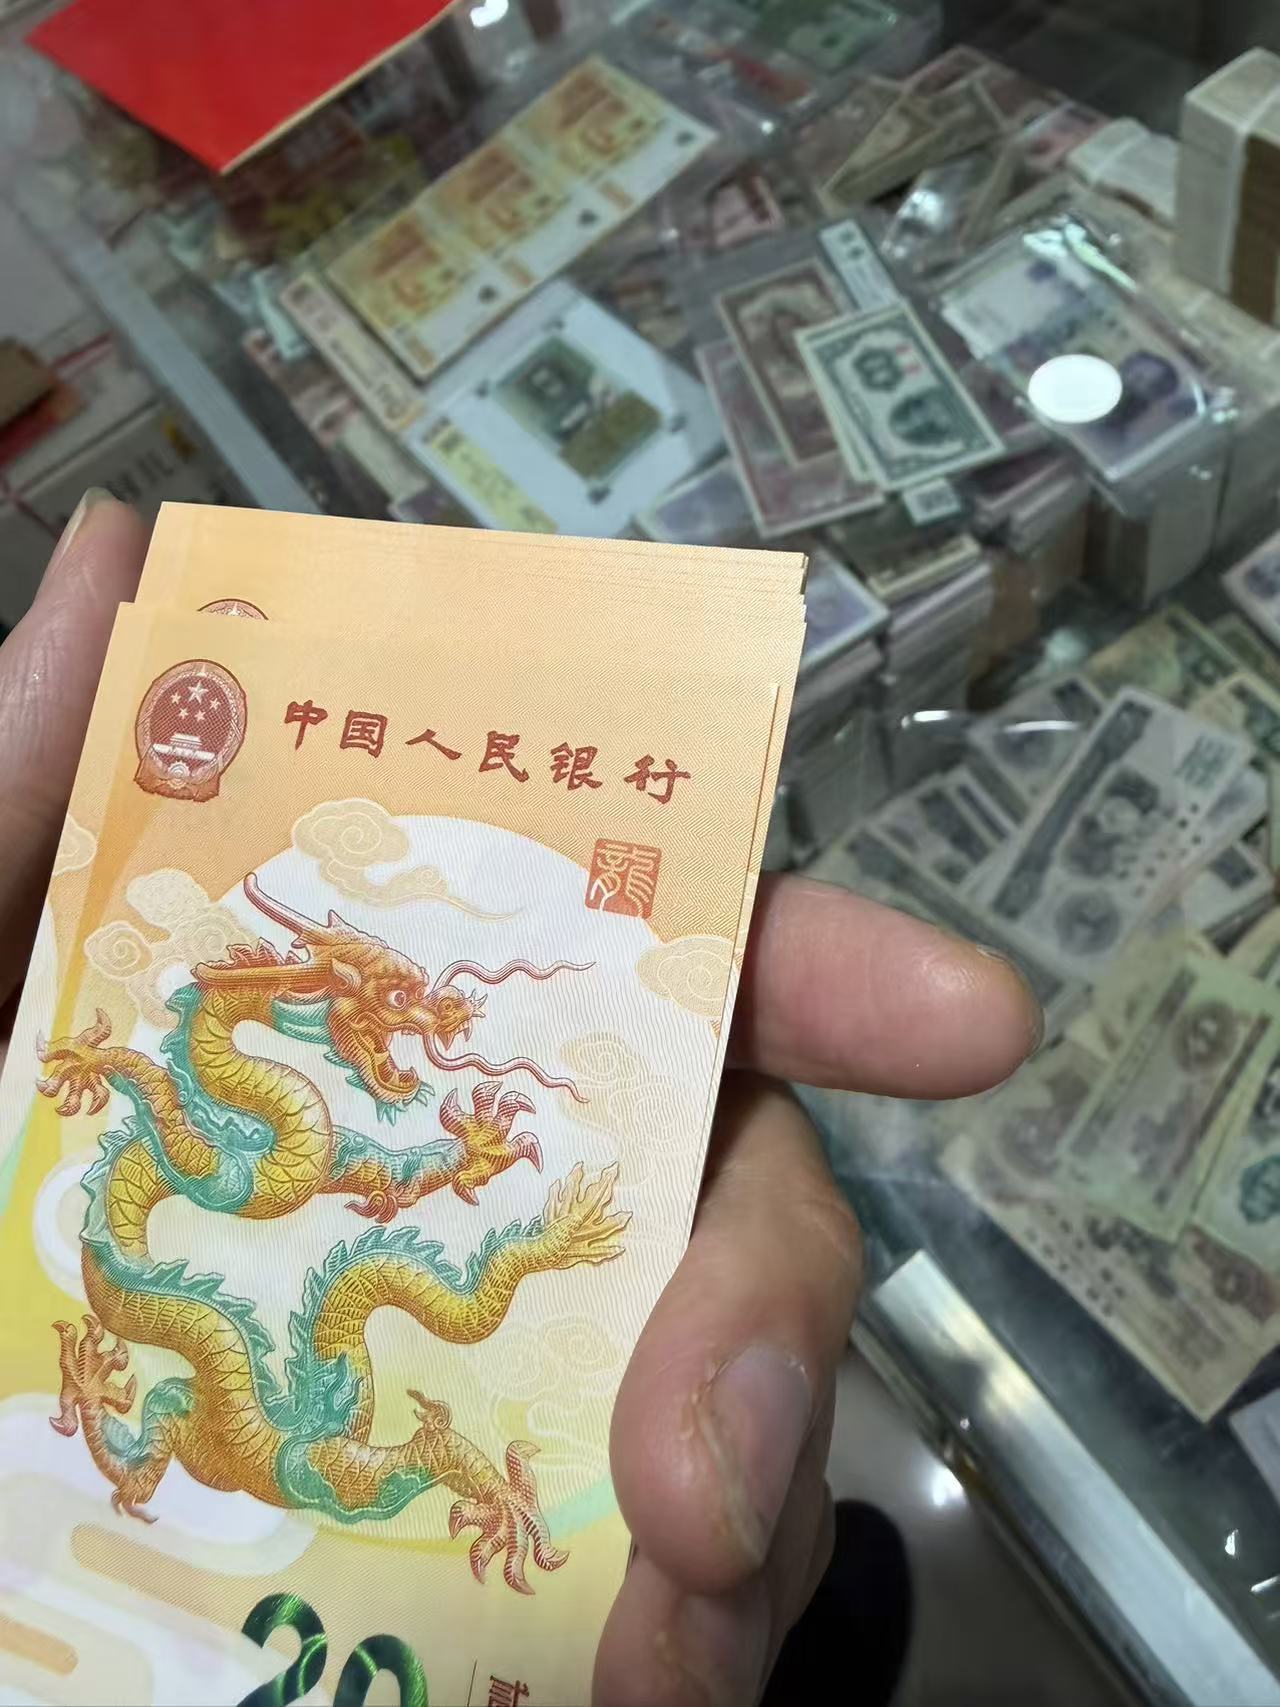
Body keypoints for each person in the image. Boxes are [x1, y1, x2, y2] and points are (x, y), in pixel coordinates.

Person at [0, 491, 1043, 1707]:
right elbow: (308, 1170)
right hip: (245, 1405)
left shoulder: (258, 1171)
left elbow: (349, 1191)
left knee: (380, 1291)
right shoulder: (231, 1140)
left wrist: (455, 1177)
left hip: (262, 1413)